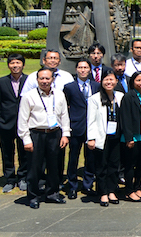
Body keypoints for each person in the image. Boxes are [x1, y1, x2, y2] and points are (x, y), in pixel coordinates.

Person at [18, 68, 71, 209]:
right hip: (36, 134)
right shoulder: (29, 96)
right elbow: (22, 120)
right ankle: (33, 196)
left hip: (55, 133)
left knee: (54, 165)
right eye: (41, 78)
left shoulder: (59, 95)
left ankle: (52, 193)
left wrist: (65, 134)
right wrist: (26, 139)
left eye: (47, 78)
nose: (44, 81)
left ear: (52, 79)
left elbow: (64, 115)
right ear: (37, 80)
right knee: (35, 167)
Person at [62, 59, 99, 199]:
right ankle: (72, 186)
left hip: (92, 126)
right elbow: (65, 107)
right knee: (73, 157)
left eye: (85, 67)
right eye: (80, 67)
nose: (83, 70)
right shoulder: (69, 87)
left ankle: (88, 185)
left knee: (90, 158)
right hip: (76, 126)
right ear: (76, 69)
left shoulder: (96, 86)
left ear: (90, 70)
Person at [0, 53, 29, 193]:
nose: (15, 66)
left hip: (24, 122)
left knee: (24, 151)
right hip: (6, 123)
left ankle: (23, 178)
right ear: (8, 65)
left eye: (18, 63)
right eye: (12, 63)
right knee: (7, 152)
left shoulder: (29, 80)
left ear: (23, 65)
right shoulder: (1, 82)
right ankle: (9, 179)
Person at [87, 71, 122, 207]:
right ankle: (103, 193)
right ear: (101, 82)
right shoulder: (94, 99)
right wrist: (91, 138)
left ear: (116, 81)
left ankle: (112, 190)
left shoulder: (120, 96)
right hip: (101, 137)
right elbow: (90, 120)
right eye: (106, 80)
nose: (109, 83)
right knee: (101, 166)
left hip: (116, 137)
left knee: (114, 165)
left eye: (111, 80)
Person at [118, 71, 141, 202]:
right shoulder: (128, 96)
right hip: (133, 137)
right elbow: (125, 118)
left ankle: (137, 187)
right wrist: (129, 137)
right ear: (132, 82)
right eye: (138, 80)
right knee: (130, 165)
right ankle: (129, 190)